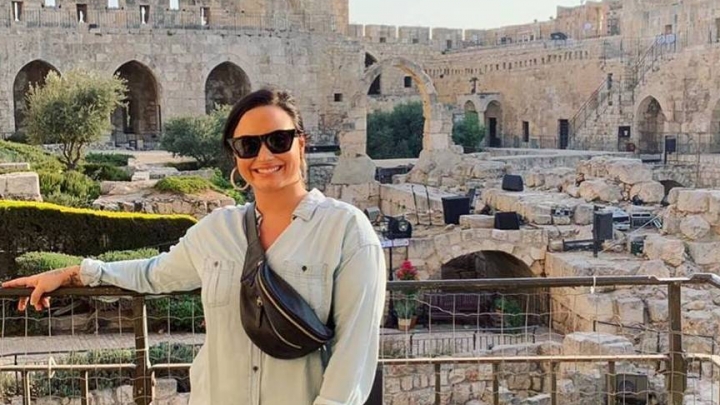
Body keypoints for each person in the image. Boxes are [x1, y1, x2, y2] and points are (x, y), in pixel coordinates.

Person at [2, 88, 387, 405]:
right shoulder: (217, 230)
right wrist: (74, 273)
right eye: (248, 145)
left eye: (278, 140)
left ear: (301, 145)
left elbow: (353, 356)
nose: (265, 155)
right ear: (235, 156)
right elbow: (154, 274)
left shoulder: (346, 231)